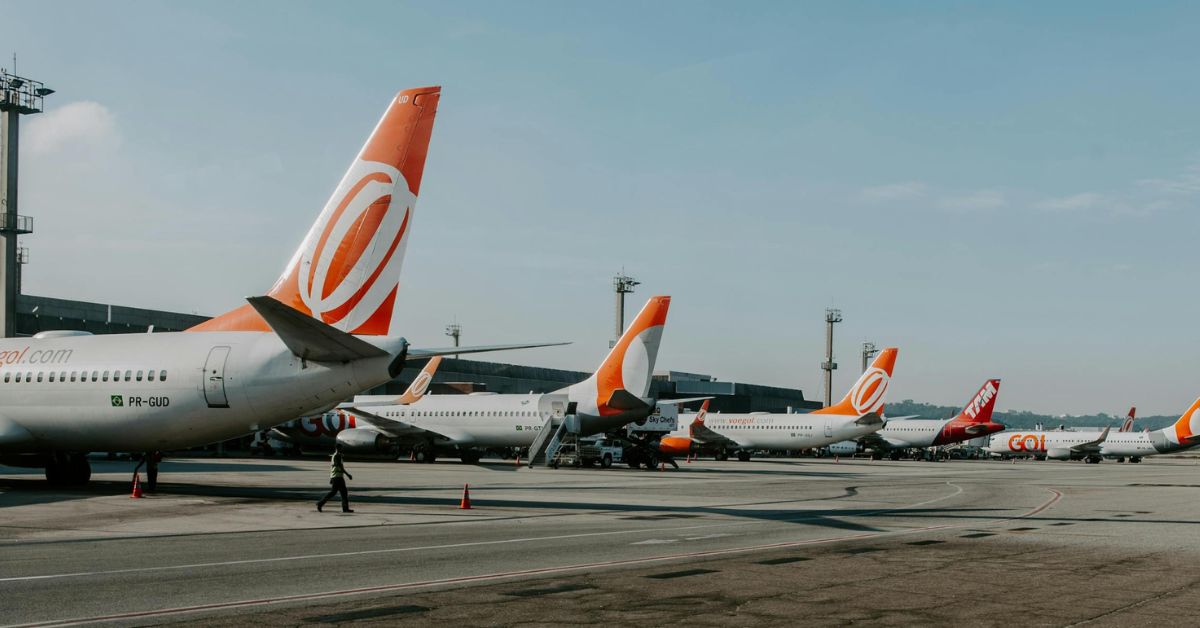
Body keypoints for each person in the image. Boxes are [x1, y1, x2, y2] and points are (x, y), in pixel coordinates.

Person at [317, 444, 354, 513]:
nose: (342, 449)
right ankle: (320, 503)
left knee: (335, 492)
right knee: (342, 493)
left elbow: (333, 468)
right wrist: (348, 475)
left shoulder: (334, 455)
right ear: (338, 448)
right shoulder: (338, 456)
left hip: (335, 476)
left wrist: (331, 478)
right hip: (338, 477)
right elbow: (340, 467)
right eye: (341, 448)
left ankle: (321, 503)